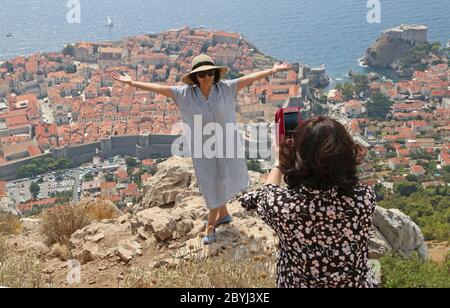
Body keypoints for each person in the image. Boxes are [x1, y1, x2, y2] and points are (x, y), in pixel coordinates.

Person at [112, 54, 292, 244]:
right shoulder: (184, 94)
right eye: (202, 74)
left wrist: (273, 70)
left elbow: (250, 78)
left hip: (226, 145)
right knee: (210, 183)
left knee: (223, 178)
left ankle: (223, 214)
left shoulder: (226, 88)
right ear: (195, 78)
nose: (207, 77)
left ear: (215, 74)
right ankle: (210, 224)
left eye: (210, 73)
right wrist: (132, 83)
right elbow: (159, 88)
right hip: (203, 148)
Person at [239, 116, 378, 288]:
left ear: (299, 158)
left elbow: (266, 192)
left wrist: (279, 161)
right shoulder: (365, 199)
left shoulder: (283, 207)